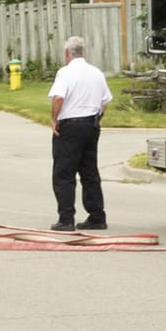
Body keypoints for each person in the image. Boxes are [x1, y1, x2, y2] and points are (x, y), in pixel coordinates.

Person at [47, 35, 111, 231]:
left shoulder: (65, 73)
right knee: (89, 171)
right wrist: (97, 118)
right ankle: (97, 216)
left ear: (67, 53)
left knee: (64, 173)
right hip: (91, 125)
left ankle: (66, 218)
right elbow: (106, 100)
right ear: (82, 52)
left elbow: (58, 97)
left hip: (70, 125)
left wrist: (54, 119)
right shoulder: (96, 73)